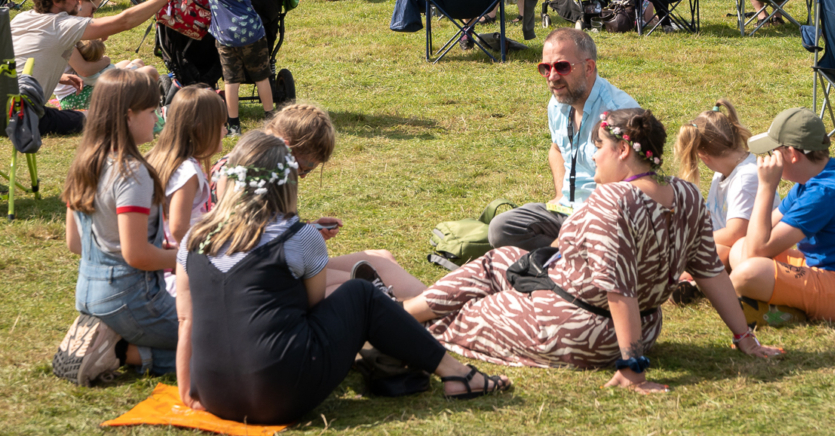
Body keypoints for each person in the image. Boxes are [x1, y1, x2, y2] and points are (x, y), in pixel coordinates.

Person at [403, 107, 782, 387]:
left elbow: (620, 290)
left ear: (622, 151)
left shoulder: (611, 201)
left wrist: (633, 369)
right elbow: (710, 271)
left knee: (455, 318)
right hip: (643, 326)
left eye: (598, 146)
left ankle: (394, 318)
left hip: (575, 329)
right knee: (500, 259)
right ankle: (400, 311)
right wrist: (744, 338)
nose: (592, 155)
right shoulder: (685, 193)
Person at [175, 132, 511, 424]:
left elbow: (187, 322)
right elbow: (313, 307)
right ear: (287, 182)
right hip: (280, 395)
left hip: (213, 395)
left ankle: (434, 360)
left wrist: (188, 390)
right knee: (359, 295)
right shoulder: (299, 236)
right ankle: (457, 374)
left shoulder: (193, 240)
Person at [53, 70, 178, 386]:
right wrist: (185, 257)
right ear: (128, 116)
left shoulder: (84, 161)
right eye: (152, 111)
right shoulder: (132, 173)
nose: (157, 118)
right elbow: (137, 255)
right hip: (132, 299)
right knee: (218, 338)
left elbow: (74, 243)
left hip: (88, 294)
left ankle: (110, 335)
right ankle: (121, 352)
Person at [728, 106, 835, 326]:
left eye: (773, 152)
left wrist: (766, 187)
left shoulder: (823, 193)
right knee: (740, 248)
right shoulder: (818, 177)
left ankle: (791, 311)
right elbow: (757, 240)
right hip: (828, 271)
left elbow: (759, 249)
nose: (769, 159)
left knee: (747, 275)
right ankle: (788, 305)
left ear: (792, 155)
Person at [487, 28, 637, 251]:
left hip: (607, 217)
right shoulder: (558, 102)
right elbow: (557, 149)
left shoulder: (619, 113)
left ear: (588, 67)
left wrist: (584, 222)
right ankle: (566, 256)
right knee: (502, 227)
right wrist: (559, 194)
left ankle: (559, 259)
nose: (552, 77)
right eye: (545, 68)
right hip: (567, 211)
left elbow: (636, 183)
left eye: (562, 67)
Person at [11, 0, 192, 135]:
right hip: (21, 116)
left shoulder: (21, 19)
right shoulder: (61, 25)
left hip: (9, 105)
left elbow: (18, 61)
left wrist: (59, 77)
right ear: (57, 0)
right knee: (102, 118)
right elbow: (124, 21)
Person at [189, 0, 274, 133]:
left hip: (225, 34)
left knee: (231, 79)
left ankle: (234, 123)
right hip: (251, 31)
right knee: (262, 75)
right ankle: (270, 117)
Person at [674, 99, 780, 268]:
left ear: (702, 154)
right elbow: (714, 217)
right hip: (727, 247)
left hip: (749, 255)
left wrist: (689, 241)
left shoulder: (746, 178)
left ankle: (688, 282)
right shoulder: (724, 171)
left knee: (694, 257)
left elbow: (735, 233)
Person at [147, 86, 227, 294]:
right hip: (179, 273)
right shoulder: (188, 172)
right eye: (221, 125)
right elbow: (178, 227)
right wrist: (204, 259)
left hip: (166, 265)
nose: (225, 132)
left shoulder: (162, 159)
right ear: (201, 129)